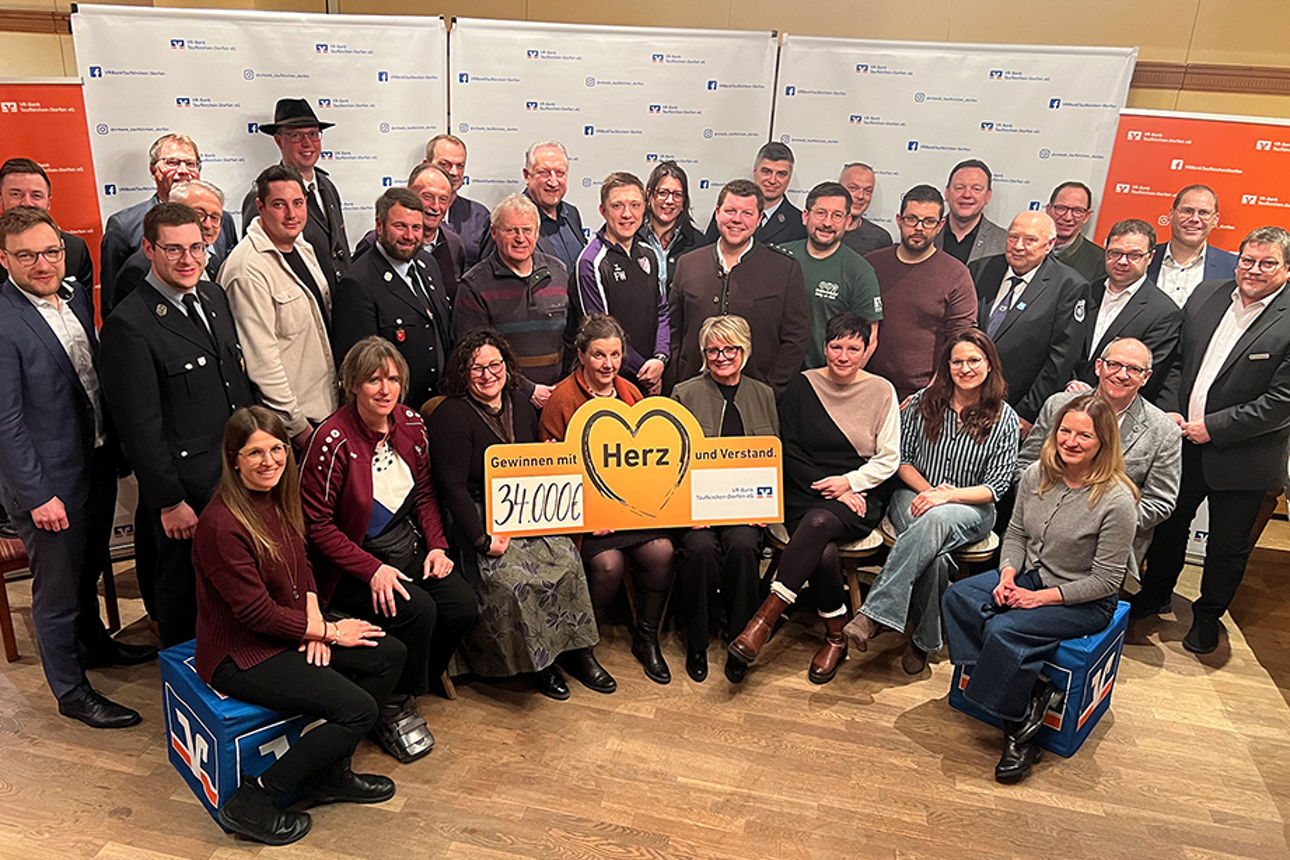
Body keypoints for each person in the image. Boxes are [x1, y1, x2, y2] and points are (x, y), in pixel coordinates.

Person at [194, 406, 405, 846]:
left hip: (288, 627)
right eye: (255, 453)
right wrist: (326, 632)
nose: (269, 461)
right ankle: (251, 800)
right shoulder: (221, 523)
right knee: (358, 709)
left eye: (276, 449)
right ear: (233, 458)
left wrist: (313, 619)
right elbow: (253, 614)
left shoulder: (276, 496)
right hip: (242, 653)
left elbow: (302, 565)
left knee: (389, 655)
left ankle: (331, 776)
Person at [0, 206, 153, 729]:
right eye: (27, 256)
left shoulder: (72, 299)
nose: (42, 264)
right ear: (5, 259)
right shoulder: (3, 321)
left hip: (93, 463)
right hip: (48, 483)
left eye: (51, 252)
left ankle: (95, 647)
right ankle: (70, 689)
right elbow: (6, 422)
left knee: (89, 569)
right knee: (58, 590)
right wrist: (37, 494)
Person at [942, 395, 1137, 783]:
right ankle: (1029, 690)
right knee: (959, 597)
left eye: (1085, 435)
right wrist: (1008, 575)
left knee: (1005, 629)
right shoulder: (1035, 474)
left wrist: (1037, 599)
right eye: (1065, 430)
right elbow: (1014, 533)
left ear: (1104, 442)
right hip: (1033, 574)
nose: (1071, 441)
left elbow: (1106, 581)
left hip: (1085, 598)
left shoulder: (1118, 500)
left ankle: (1019, 728)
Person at [300, 337, 478, 761]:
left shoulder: (412, 425)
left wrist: (437, 546)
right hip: (350, 565)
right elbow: (317, 527)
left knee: (462, 604)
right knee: (419, 610)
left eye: (393, 379)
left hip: (408, 546)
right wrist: (370, 569)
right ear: (353, 385)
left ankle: (415, 679)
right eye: (373, 380)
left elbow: (425, 495)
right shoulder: (331, 440)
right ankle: (393, 703)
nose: (385, 389)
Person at [100, 203, 258, 647]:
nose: (188, 259)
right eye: (173, 250)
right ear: (149, 249)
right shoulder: (129, 324)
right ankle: (184, 679)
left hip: (234, 474)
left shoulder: (213, 296)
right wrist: (169, 501)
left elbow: (233, 385)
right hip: (186, 489)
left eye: (196, 247)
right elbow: (139, 427)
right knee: (182, 592)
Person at [427, 329, 608, 699]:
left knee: (567, 560)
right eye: (476, 368)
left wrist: (549, 456)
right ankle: (540, 664)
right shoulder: (451, 414)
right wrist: (481, 539)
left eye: (495, 365)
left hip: (528, 508)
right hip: (478, 516)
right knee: (516, 581)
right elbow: (452, 488)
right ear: (463, 373)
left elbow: (534, 461)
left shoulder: (521, 404)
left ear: (507, 368)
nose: (488, 374)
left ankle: (578, 652)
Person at [1137, 227, 1290, 654]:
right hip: (1182, 441)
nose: (1253, 271)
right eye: (1247, 260)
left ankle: (1208, 617)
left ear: (1287, 270)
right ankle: (1154, 596)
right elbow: (1177, 361)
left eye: (1267, 263)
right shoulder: (1207, 294)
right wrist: (1170, 409)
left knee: (1227, 546)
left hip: (1246, 458)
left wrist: (1214, 427)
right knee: (1167, 528)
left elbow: (1282, 401)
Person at [729, 313, 899, 684]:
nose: (843, 356)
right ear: (825, 347)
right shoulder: (802, 386)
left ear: (867, 349)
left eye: (853, 348)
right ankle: (836, 638)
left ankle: (765, 618)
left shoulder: (883, 390)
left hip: (860, 490)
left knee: (820, 524)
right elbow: (787, 449)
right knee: (823, 548)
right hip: (804, 487)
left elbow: (888, 457)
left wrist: (850, 483)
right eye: (836, 346)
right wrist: (829, 485)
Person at [843, 329, 1019, 675]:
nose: (965, 368)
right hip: (914, 493)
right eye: (957, 361)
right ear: (947, 365)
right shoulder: (923, 402)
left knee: (936, 522)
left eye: (973, 361)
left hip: (972, 505)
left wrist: (948, 495)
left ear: (989, 365)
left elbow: (996, 486)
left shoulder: (1004, 417)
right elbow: (902, 459)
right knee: (936, 557)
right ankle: (924, 641)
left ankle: (874, 612)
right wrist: (930, 493)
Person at [539, 314, 677, 685]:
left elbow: (646, 458)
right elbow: (552, 477)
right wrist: (588, 515)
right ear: (581, 354)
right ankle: (580, 648)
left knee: (662, 550)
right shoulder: (562, 400)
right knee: (608, 566)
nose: (608, 364)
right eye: (599, 355)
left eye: (615, 355)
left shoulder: (630, 392)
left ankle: (645, 638)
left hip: (630, 509)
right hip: (586, 516)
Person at [672, 315, 778, 683]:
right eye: (713, 349)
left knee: (745, 545)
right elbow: (671, 464)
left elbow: (771, 459)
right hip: (695, 509)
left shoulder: (763, 395)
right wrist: (686, 510)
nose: (721, 356)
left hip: (746, 509)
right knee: (700, 550)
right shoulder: (684, 394)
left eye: (730, 348)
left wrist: (765, 509)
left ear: (744, 351)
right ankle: (696, 642)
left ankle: (739, 639)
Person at [1021, 337, 1180, 578]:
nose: (1122, 374)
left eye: (1134, 369)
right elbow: (1024, 465)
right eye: (1113, 364)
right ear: (1098, 366)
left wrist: (1099, 524)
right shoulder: (1058, 405)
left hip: (1107, 551)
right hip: (1038, 534)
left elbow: (1160, 502)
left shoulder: (1163, 431)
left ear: (1146, 377)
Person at [221, 165, 337, 451]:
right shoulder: (247, 269)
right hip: (291, 429)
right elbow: (262, 363)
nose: (291, 214)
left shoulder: (301, 245)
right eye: (279, 205)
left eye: (298, 203)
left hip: (325, 411)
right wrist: (299, 429)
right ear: (260, 206)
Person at [669, 179, 809, 395]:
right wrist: (678, 380)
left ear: (759, 219)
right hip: (694, 389)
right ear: (717, 212)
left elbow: (796, 338)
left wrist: (771, 389)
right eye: (730, 210)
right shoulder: (688, 264)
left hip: (756, 392)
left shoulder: (784, 269)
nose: (736, 219)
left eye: (747, 213)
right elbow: (673, 330)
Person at [332, 186, 452, 407]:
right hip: (394, 411)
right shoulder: (358, 283)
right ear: (379, 225)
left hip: (439, 405)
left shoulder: (428, 264)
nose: (409, 236)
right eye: (400, 226)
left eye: (416, 227)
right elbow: (360, 369)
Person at [970, 210, 1089, 432]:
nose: (1018, 246)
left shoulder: (1069, 285)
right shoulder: (979, 269)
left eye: (1030, 240)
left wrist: (1027, 412)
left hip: (1017, 410)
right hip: (967, 399)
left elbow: (1061, 358)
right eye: (1013, 237)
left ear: (1049, 244)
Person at [455, 193, 571, 410]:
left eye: (527, 230)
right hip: (504, 405)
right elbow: (473, 356)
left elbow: (573, 337)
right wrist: (529, 390)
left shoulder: (559, 272)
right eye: (511, 230)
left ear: (537, 234)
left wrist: (564, 388)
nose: (520, 238)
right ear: (494, 233)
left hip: (559, 398)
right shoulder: (474, 286)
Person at [101, 133, 237, 310]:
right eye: (172, 163)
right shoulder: (124, 225)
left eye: (190, 164)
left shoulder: (222, 219)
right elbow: (113, 303)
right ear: (153, 170)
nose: (183, 170)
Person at [865, 184, 977, 399]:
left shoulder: (956, 274)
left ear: (940, 225)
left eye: (928, 222)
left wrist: (930, 393)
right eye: (912, 219)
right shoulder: (872, 264)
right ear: (899, 219)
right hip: (870, 386)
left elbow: (960, 341)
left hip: (926, 392)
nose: (919, 228)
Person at [573, 172, 669, 394]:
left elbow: (662, 310)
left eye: (635, 205)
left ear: (645, 207)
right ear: (603, 211)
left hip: (653, 374)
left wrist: (660, 359)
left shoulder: (649, 254)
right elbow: (600, 333)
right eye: (617, 206)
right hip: (612, 382)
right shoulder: (591, 262)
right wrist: (644, 370)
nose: (627, 214)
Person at [241, 98, 349, 290]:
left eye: (313, 134)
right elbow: (263, 259)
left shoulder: (327, 186)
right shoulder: (263, 194)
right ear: (278, 140)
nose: (307, 143)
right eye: (296, 136)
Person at [778, 181, 882, 369]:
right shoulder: (779, 257)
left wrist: (843, 381)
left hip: (826, 380)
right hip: (775, 376)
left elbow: (870, 337)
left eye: (837, 216)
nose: (827, 223)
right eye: (820, 213)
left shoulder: (859, 271)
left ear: (847, 222)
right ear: (805, 216)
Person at [1074, 219, 1181, 402]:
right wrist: (1072, 383)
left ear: (1150, 257)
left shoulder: (1163, 312)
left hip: (1113, 412)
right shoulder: (1085, 291)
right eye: (1115, 253)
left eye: (1134, 255)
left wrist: (1090, 395)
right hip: (1065, 398)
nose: (1123, 261)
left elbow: (1145, 378)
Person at [113, 180, 237, 308]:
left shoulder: (213, 261)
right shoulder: (140, 268)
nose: (208, 224)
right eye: (199, 214)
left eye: (215, 217)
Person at [0, 157, 93, 288]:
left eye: (36, 195)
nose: (27, 203)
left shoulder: (75, 250)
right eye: (16, 194)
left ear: (48, 203)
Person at [1147, 185, 1240, 307]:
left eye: (1203, 213)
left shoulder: (1232, 267)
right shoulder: (1143, 258)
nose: (1194, 219)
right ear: (1171, 214)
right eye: (1187, 211)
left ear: (1215, 220)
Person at [703, 141, 806, 245]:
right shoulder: (727, 213)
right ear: (755, 171)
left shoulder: (799, 223)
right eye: (766, 171)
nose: (772, 180)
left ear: (789, 177)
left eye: (781, 174)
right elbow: (709, 252)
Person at [516, 140, 585, 274]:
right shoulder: (512, 219)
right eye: (544, 173)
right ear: (527, 176)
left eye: (560, 173)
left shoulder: (571, 214)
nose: (553, 182)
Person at [637, 160, 704, 292]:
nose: (669, 201)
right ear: (649, 195)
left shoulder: (698, 244)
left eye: (677, 195)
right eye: (663, 193)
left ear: (684, 201)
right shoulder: (632, 238)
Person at [425, 134, 490, 269]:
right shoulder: (408, 213)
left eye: (460, 166)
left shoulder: (480, 216)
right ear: (426, 165)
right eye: (445, 164)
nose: (454, 172)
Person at [933, 159, 1007, 265]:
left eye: (976, 189)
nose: (967, 195)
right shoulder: (928, 233)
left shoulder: (1003, 243)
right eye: (959, 188)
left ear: (988, 196)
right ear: (947, 193)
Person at [1047, 182, 1105, 284]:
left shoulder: (1100, 262)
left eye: (1078, 211)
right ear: (1048, 209)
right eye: (1061, 208)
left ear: (1086, 216)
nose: (1067, 217)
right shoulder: (1027, 249)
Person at [839, 162, 894, 257]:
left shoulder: (880, 239)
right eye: (853, 188)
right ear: (839, 188)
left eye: (867, 191)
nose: (860, 196)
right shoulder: (818, 231)